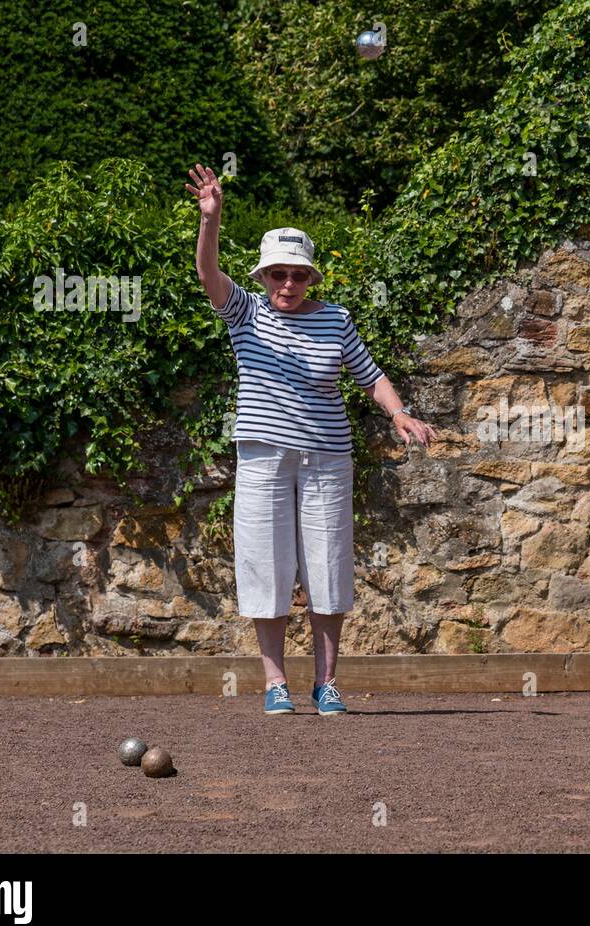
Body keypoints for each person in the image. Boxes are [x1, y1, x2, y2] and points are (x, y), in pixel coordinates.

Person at [186, 164, 436, 716]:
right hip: (263, 456)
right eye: (278, 274)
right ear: (264, 276)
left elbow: (370, 375)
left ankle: (327, 683)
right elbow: (208, 274)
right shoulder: (244, 311)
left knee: (327, 565)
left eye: (297, 275)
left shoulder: (337, 319)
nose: (288, 285)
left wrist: (400, 414)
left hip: (327, 457)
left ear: (310, 277)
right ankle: (276, 682)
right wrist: (212, 219)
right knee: (265, 565)